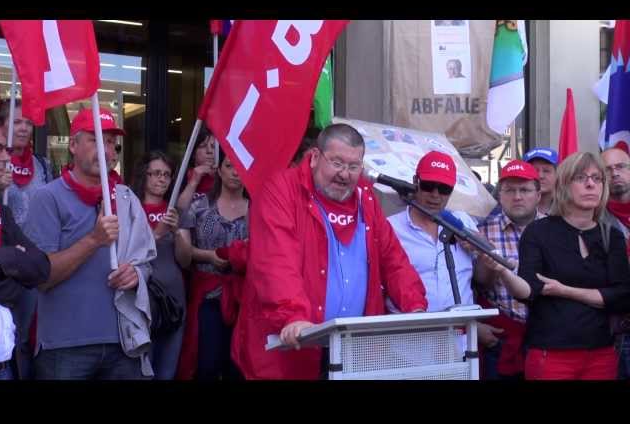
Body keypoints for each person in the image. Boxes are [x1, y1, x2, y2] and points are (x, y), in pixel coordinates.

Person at [231, 123, 428, 380]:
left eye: (353, 166)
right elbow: (276, 262)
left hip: (352, 351)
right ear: (315, 157)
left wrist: (415, 306)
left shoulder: (365, 198)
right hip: (291, 347)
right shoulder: (281, 191)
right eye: (337, 163)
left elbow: (393, 259)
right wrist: (293, 316)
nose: (344, 174)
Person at [24, 108, 157, 380]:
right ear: (73, 145)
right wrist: (94, 240)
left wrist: (136, 275)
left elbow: (146, 262)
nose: (106, 150)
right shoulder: (47, 198)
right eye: (95, 139)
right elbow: (41, 278)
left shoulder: (126, 198)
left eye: (110, 142)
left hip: (124, 344)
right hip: (64, 348)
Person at [482, 152, 630, 380]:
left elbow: (621, 297)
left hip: (601, 353)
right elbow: (528, 291)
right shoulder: (539, 231)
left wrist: (564, 290)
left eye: (597, 178)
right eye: (581, 178)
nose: (591, 184)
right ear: (564, 186)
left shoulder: (612, 236)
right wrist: (503, 271)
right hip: (550, 353)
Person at [0, 98, 54, 380]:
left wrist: (13, 262)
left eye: (28, 122)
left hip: (29, 258)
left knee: (23, 339)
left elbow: (41, 267)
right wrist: (13, 258)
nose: (24, 128)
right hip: (12, 261)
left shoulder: (42, 165)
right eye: (17, 121)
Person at [177, 151, 248, 380]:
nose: (235, 172)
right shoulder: (199, 206)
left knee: (238, 366)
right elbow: (183, 251)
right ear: (219, 170)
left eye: (240, 167)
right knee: (206, 363)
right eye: (229, 166)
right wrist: (208, 256)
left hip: (245, 297)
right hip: (208, 294)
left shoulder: (258, 209)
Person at [473, 160, 544, 380]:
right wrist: (488, 261)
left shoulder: (555, 229)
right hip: (501, 339)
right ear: (499, 195)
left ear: (538, 195)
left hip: (548, 337)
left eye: (525, 190)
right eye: (510, 190)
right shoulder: (481, 232)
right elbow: (479, 285)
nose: (517, 196)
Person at [388, 151, 475, 312]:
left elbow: (484, 279)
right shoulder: (391, 227)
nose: (435, 195)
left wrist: (484, 257)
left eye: (444, 189)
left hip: (463, 325)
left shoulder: (464, 221)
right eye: (428, 186)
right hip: (411, 324)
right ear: (415, 181)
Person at [131, 151, 192, 380]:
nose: (162, 179)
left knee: (167, 370)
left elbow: (185, 260)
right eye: (156, 173)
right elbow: (129, 254)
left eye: (167, 174)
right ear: (144, 175)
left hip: (173, 300)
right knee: (141, 369)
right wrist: (157, 233)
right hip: (139, 300)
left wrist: (177, 233)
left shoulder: (175, 212)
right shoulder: (131, 210)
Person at [600, 147, 630, 379]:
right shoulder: (593, 217)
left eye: (620, 167)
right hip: (616, 328)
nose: (615, 173)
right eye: (607, 169)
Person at [176, 128, 216, 213]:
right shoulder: (181, 176)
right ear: (193, 152)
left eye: (213, 147)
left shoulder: (225, 177)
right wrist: (194, 181)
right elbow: (179, 212)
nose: (209, 151)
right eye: (203, 146)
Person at [523, 147, 558, 215]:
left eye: (546, 171)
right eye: (535, 170)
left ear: (557, 174)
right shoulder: (513, 208)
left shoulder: (568, 209)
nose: (540, 176)